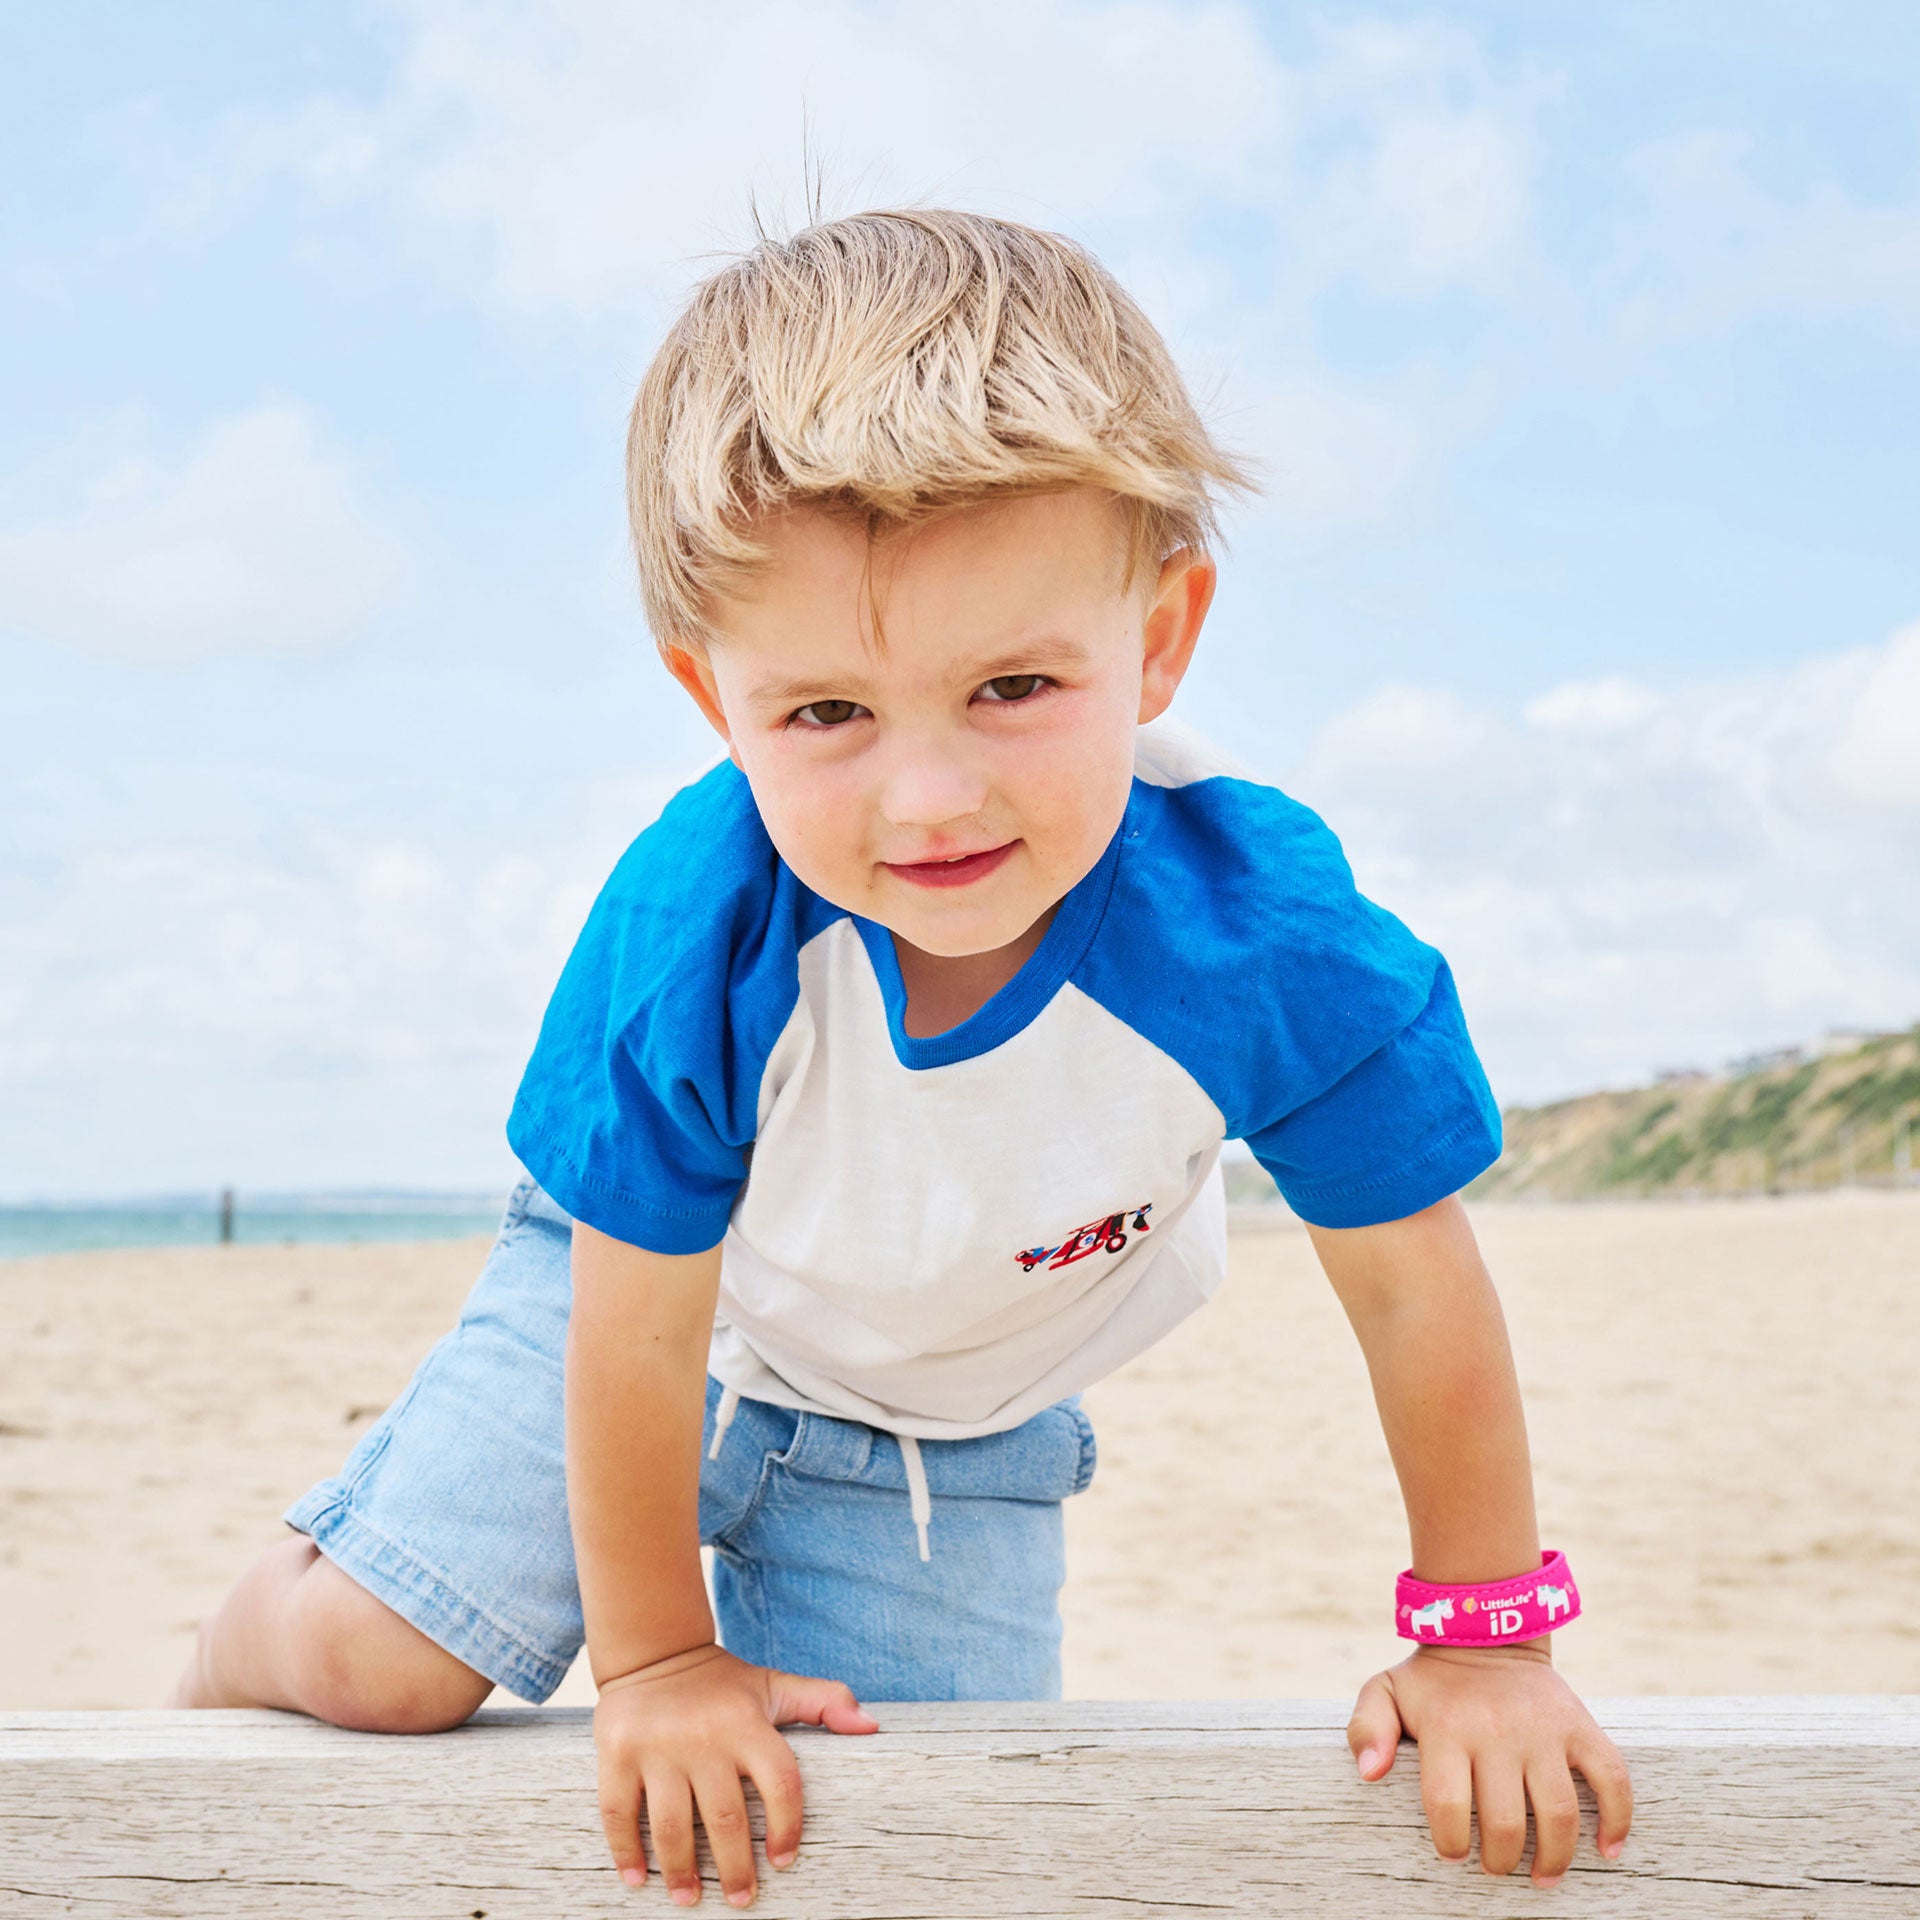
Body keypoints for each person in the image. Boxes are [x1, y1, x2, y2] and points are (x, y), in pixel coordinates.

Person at [170, 207, 1633, 1907]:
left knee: (926, 1843)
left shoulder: (1259, 938)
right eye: (826, 716)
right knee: (383, 1670)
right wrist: (654, 1666)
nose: (928, 798)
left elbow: (1411, 1289)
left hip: (958, 1420)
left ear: (1159, 640)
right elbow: (633, 1329)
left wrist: (1483, 1641)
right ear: (714, 699)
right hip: (671, 1320)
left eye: (1011, 685)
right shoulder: (699, 934)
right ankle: (234, 1642)